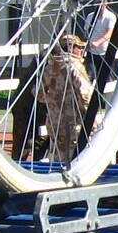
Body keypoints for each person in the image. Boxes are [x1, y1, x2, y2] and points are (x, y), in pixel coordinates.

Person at [38, 32, 94, 165]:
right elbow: (84, 94)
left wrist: (53, 102)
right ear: (70, 48)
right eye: (78, 47)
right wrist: (90, 114)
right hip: (74, 121)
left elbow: (38, 93)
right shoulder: (75, 66)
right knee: (78, 158)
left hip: (54, 121)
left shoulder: (50, 67)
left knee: (58, 157)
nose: (81, 50)